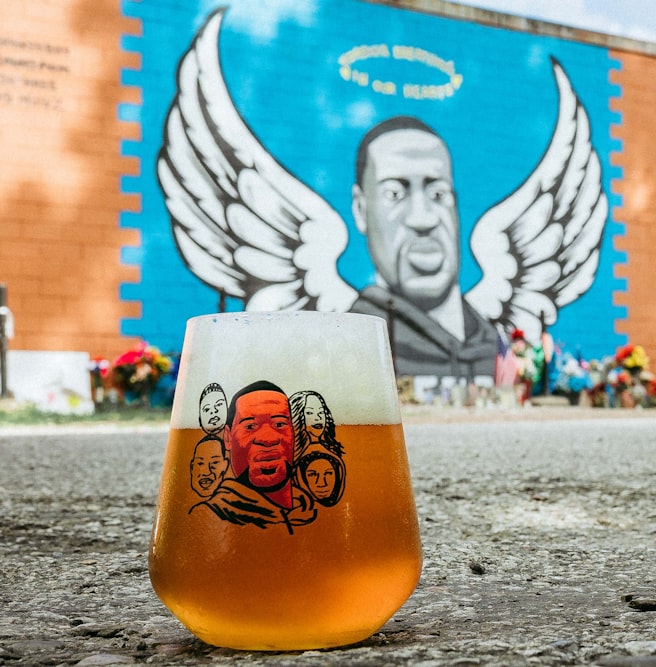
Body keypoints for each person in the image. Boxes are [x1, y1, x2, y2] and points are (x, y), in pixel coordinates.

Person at [349, 116, 497, 379]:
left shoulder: (490, 341)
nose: (423, 219)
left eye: (438, 194)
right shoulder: (353, 341)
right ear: (361, 209)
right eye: (394, 194)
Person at [191, 380, 315, 532]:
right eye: (250, 426)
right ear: (228, 438)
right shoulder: (205, 517)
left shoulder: (308, 509)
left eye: (280, 424)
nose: (268, 439)